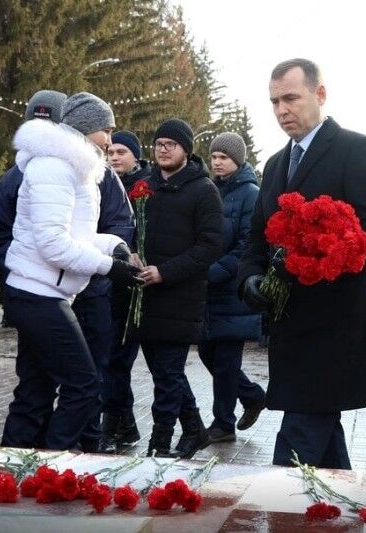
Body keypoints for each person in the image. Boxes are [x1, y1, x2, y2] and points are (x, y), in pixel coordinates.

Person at [238, 58, 366, 469]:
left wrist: (309, 256)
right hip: (290, 326)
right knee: (319, 441)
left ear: (320, 94)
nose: (281, 110)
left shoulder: (359, 150)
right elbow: (257, 236)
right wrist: (251, 278)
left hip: (334, 325)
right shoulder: (273, 165)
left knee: (297, 440)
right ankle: (337, 511)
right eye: (274, 102)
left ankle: (280, 508)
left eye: (291, 98)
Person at [0, 92, 141, 451]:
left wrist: (113, 246)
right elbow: (53, 244)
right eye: (105, 131)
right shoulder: (56, 167)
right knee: (82, 384)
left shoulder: (77, 169)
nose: (110, 141)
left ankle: (16, 463)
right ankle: (52, 462)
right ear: (84, 128)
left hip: (49, 291)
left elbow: (77, 235)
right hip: (38, 293)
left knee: (37, 388)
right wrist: (110, 267)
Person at [135, 119, 224, 458]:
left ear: (186, 150)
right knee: (163, 372)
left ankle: (158, 444)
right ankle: (195, 430)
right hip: (146, 296)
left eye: (171, 143)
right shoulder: (145, 186)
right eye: (159, 143)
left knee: (168, 374)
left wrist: (166, 272)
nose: (163, 148)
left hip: (180, 296)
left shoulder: (203, 190)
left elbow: (211, 245)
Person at [197, 132, 266, 443]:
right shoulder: (213, 190)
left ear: (237, 160)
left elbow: (247, 246)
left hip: (232, 290)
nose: (217, 162)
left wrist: (213, 271)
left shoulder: (251, 194)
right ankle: (252, 396)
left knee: (225, 360)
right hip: (209, 290)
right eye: (214, 157)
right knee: (208, 353)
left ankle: (222, 423)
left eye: (223, 157)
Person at [0, 89, 68, 329]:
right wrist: (23, 273)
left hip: (78, 290)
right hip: (29, 289)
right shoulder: (13, 179)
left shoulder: (84, 171)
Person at [100, 130, 151, 453]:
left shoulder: (147, 187)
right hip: (107, 282)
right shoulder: (103, 182)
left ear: (135, 156)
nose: (115, 157)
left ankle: (113, 427)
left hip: (134, 288)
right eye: (111, 152)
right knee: (112, 361)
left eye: (122, 152)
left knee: (117, 361)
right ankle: (124, 426)